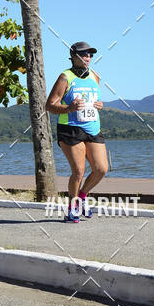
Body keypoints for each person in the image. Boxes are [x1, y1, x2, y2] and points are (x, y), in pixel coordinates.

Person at [46, 42, 108, 222]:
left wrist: (100, 105)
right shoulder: (65, 77)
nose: (88, 57)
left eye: (90, 55)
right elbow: (50, 105)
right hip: (70, 129)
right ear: (73, 56)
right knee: (78, 171)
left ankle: (82, 196)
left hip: (93, 127)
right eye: (84, 54)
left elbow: (95, 100)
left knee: (101, 168)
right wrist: (68, 108)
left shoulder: (95, 76)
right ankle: (72, 208)